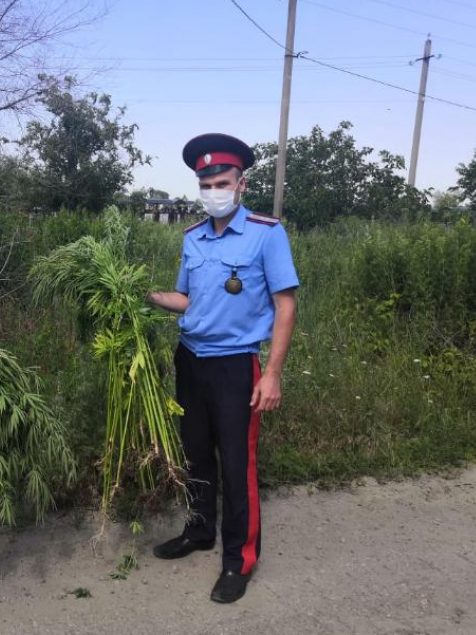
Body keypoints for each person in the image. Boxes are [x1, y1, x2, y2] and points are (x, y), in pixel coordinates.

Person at [147, 133, 298, 603]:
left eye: (222, 181)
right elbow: (185, 299)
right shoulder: (192, 238)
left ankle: (239, 559)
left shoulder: (266, 233)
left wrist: (271, 373)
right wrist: (143, 294)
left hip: (236, 366)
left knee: (237, 465)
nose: (214, 189)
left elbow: (285, 304)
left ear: (241, 183)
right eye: (206, 182)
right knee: (195, 454)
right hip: (190, 361)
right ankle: (198, 532)